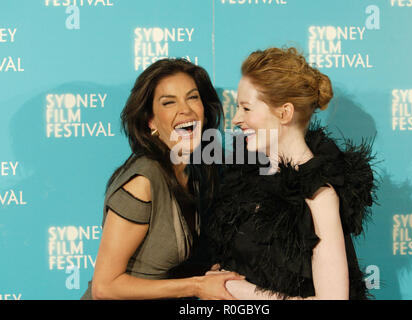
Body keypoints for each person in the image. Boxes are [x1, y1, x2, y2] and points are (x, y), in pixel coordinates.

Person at [205, 47, 376, 300]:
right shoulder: (245, 176)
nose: (236, 119)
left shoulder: (319, 195)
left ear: (284, 113)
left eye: (247, 108)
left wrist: (238, 291)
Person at [81, 58, 244, 300]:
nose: (185, 110)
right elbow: (104, 288)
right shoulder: (143, 181)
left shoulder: (196, 169)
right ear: (151, 121)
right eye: (169, 102)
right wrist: (196, 286)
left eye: (192, 97)